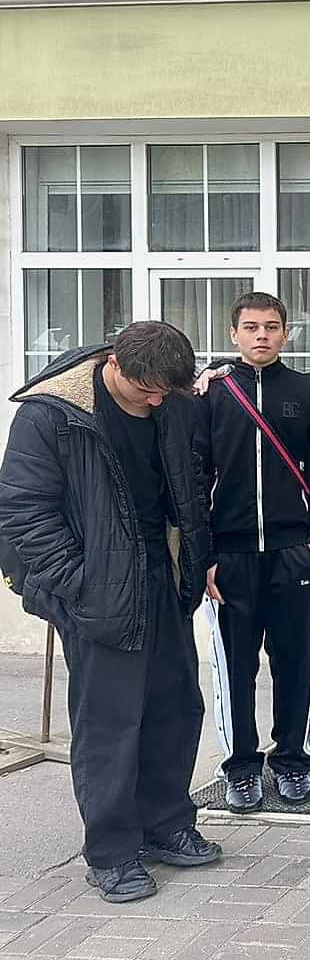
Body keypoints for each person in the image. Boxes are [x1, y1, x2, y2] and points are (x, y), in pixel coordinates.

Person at [0, 323, 221, 903]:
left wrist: (197, 558)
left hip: (164, 575)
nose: (157, 402)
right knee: (110, 724)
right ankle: (113, 854)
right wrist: (78, 584)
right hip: (98, 589)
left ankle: (167, 824)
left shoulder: (170, 401)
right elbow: (23, 512)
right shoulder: (52, 415)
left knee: (175, 707)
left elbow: (190, 483)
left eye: (165, 393)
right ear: (115, 365)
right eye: (146, 391)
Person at [195, 293, 310, 814]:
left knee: (295, 664)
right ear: (233, 333)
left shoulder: (309, 392)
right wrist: (206, 555)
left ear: (286, 333)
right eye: (252, 327)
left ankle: (293, 761)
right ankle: (240, 768)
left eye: (272, 326)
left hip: (293, 553)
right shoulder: (212, 394)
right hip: (230, 557)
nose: (262, 335)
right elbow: (195, 477)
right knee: (235, 669)